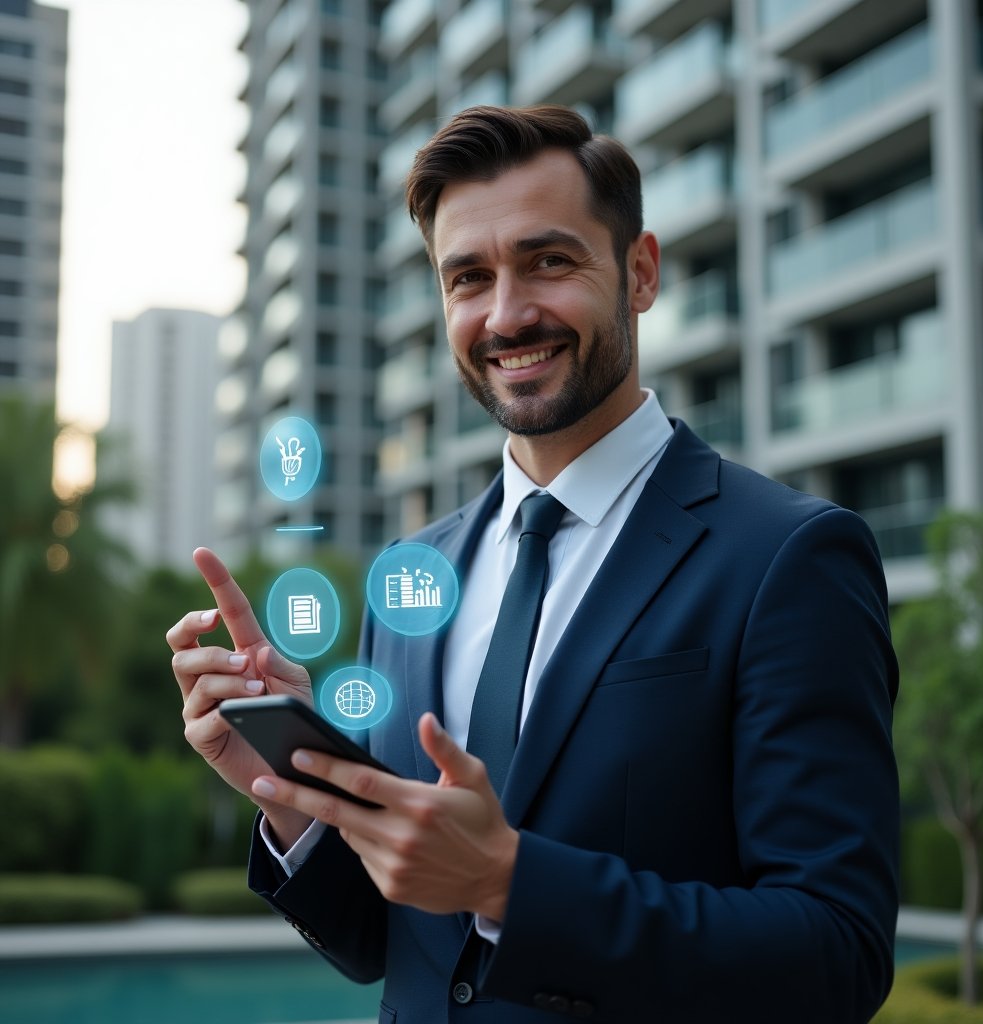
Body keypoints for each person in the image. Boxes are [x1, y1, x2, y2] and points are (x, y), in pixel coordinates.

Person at [168, 105, 900, 1023]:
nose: (507, 315)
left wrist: (511, 885)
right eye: (468, 278)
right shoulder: (409, 577)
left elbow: (837, 953)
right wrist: (297, 800)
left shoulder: (789, 557)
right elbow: (394, 947)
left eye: (549, 261)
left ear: (640, 272)